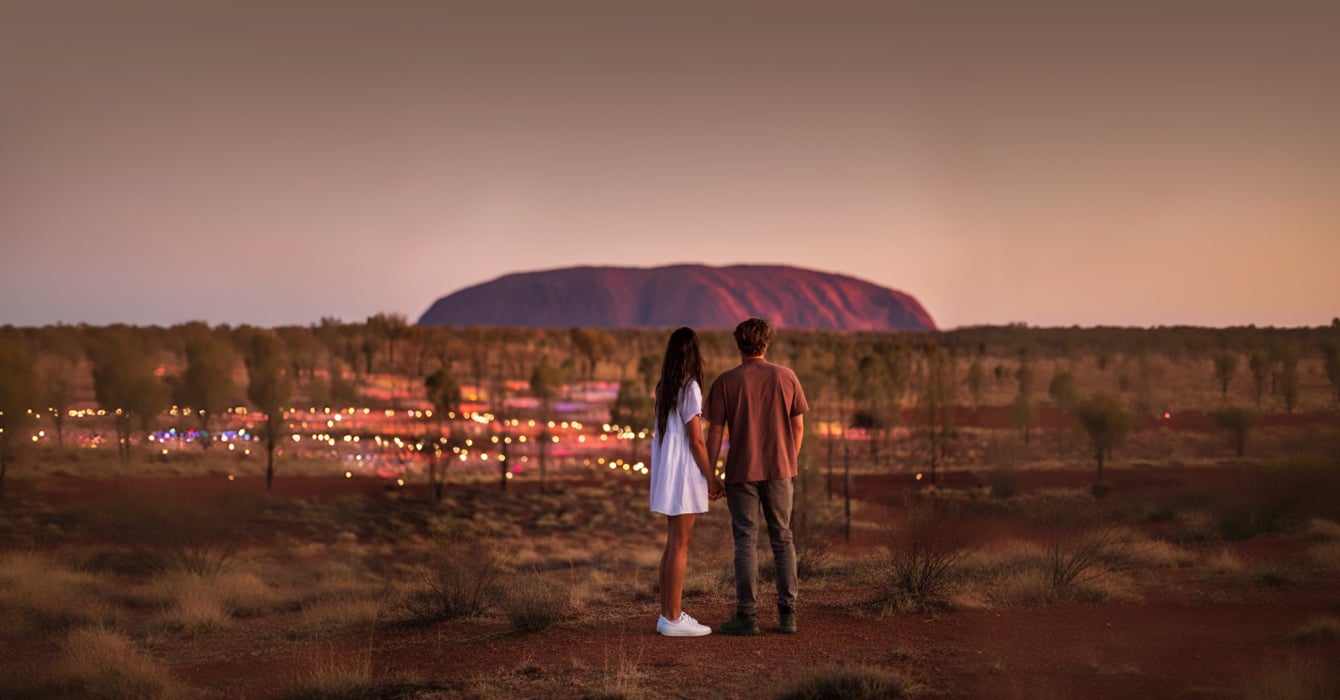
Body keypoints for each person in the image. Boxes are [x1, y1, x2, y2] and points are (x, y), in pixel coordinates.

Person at [706, 317, 808, 635]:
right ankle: (787, 616)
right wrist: (788, 460)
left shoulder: (725, 382)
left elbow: (714, 433)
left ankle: (747, 616)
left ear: (739, 344)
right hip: (780, 469)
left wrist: (709, 474)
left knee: (746, 542)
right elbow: (798, 426)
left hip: (740, 471)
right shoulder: (787, 377)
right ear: (766, 343)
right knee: (783, 539)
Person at [649, 326, 725, 637]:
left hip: (669, 473)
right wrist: (713, 477)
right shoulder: (690, 387)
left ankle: (668, 615)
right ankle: (673, 618)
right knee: (681, 545)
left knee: (673, 544)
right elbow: (697, 441)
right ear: (694, 353)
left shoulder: (664, 386)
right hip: (683, 475)